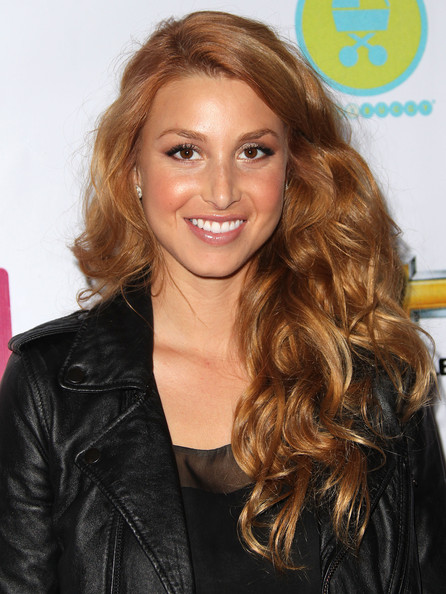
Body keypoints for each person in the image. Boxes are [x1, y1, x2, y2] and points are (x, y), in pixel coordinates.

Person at [0, 10, 445, 593]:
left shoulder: (374, 382)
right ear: (133, 168)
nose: (221, 191)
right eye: (186, 151)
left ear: (293, 170)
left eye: (253, 151)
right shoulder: (51, 389)